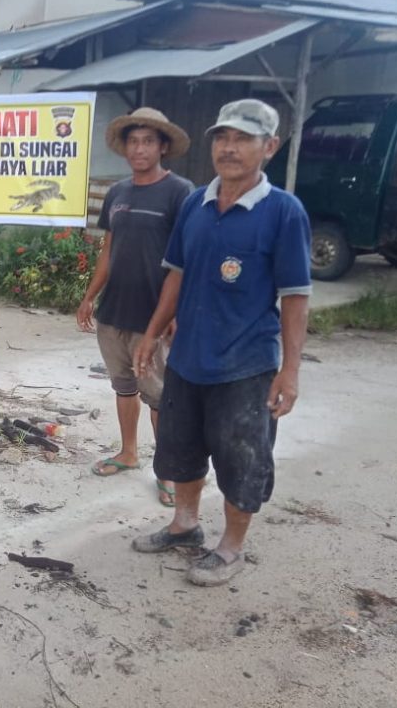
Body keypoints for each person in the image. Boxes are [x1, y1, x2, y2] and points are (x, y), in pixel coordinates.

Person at [130, 99, 311, 586]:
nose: (229, 148)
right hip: (188, 358)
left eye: (243, 139)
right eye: (222, 138)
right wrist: (151, 334)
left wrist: (289, 371)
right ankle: (185, 524)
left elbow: (295, 298)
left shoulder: (283, 212)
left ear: (269, 147)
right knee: (180, 448)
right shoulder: (196, 202)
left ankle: (231, 549)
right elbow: (176, 275)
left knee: (241, 458)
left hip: (246, 364)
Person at [76, 108, 193, 507]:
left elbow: (188, 257)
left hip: (154, 317)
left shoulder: (179, 192)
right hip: (114, 313)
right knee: (123, 387)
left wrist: (176, 312)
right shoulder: (118, 193)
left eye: (147, 141)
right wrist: (90, 295)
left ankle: (169, 470)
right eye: (133, 141)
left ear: (162, 146)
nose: (139, 149)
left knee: (159, 396)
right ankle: (128, 452)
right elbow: (109, 250)